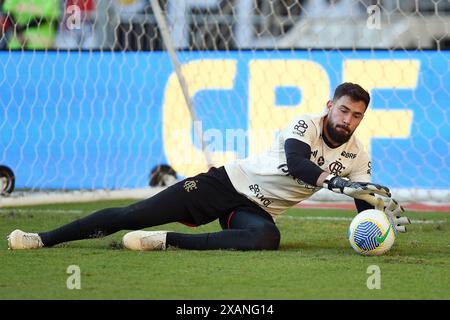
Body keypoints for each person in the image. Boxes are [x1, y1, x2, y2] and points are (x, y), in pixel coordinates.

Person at [7, 83, 410, 251]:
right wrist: (333, 182)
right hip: (225, 185)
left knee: (266, 241)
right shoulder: (305, 124)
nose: (347, 120)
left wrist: (377, 220)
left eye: (356, 115)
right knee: (133, 214)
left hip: (255, 211)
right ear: (329, 107)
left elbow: (362, 204)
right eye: (343, 110)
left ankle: (164, 242)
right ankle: (41, 239)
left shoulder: (359, 155)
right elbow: (297, 163)